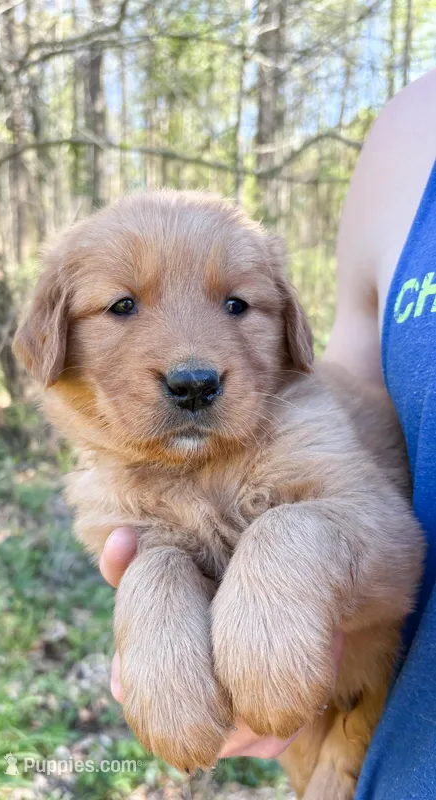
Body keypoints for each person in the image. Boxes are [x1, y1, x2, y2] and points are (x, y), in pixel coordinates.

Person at [99, 67, 436, 796]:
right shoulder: (412, 127)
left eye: (237, 304)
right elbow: (363, 377)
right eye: (122, 306)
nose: (192, 359)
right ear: (46, 338)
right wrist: (160, 592)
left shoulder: (294, 416)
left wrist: (290, 548)